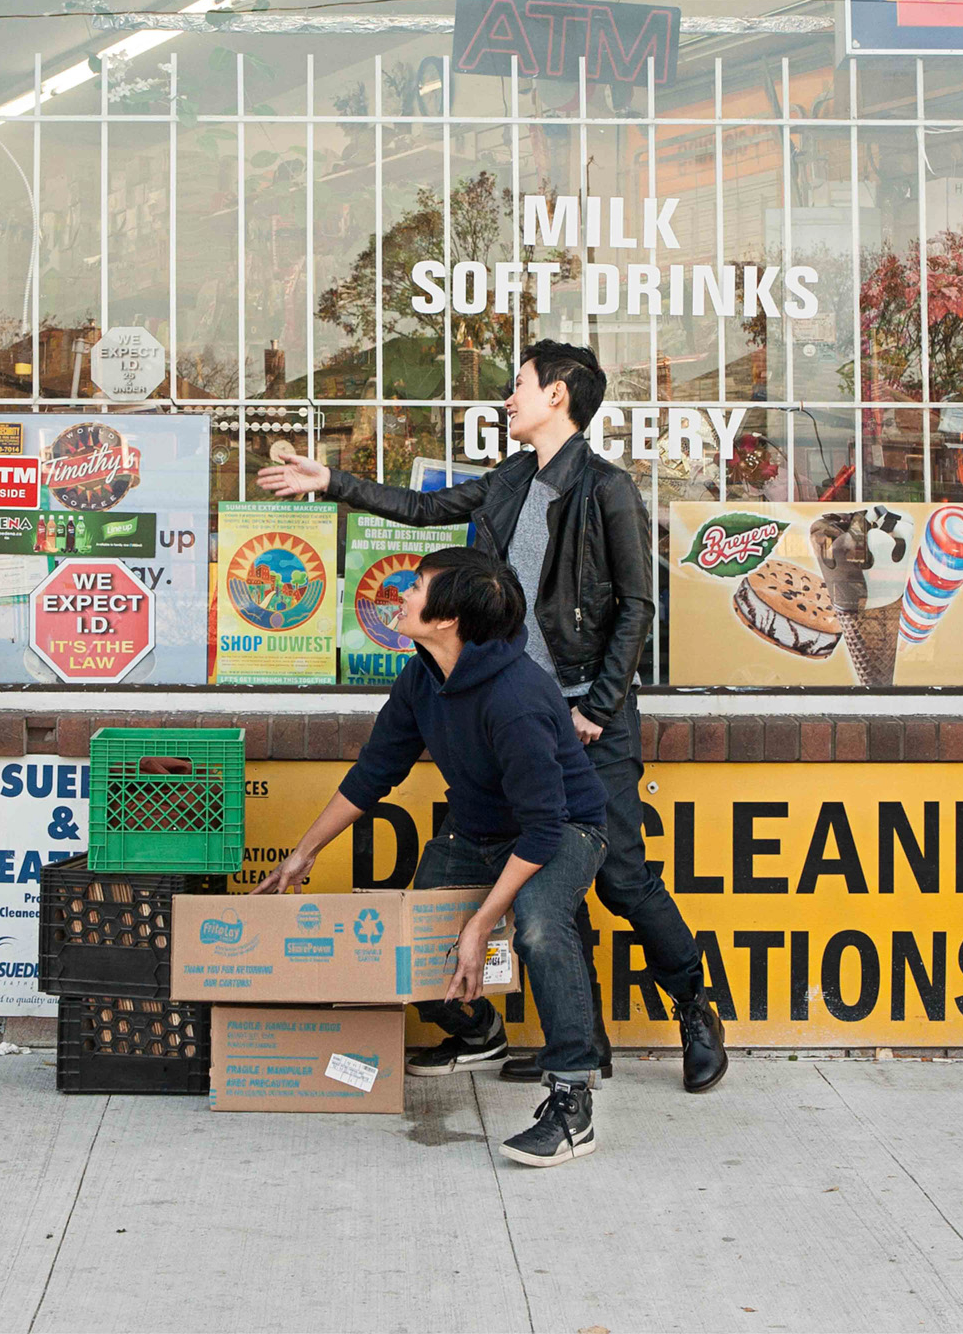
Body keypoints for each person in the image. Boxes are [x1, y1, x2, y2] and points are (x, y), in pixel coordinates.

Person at [260, 338, 729, 1094]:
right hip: (521, 708)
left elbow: (640, 606)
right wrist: (331, 481)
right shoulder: (512, 479)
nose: (507, 398)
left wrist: (599, 709)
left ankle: (696, 1008)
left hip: (588, 716)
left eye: (519, 385)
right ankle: (588, 1042)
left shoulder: (606, 488)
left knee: (619, 876)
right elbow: (422, 509)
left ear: (558, 397)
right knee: (552, 877)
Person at [257, 548, 610, 1168]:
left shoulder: (516, 697)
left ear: (448, 618)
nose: (400, 592)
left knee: (540, 927)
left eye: (415, 586)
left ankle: (572, 1096)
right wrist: (302, 853)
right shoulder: (423, 675)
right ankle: (479, 1034)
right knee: (410, 940)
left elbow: (543, 827)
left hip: (562, 831)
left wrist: (480, 924)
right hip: (474, 830)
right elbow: (375, 773)